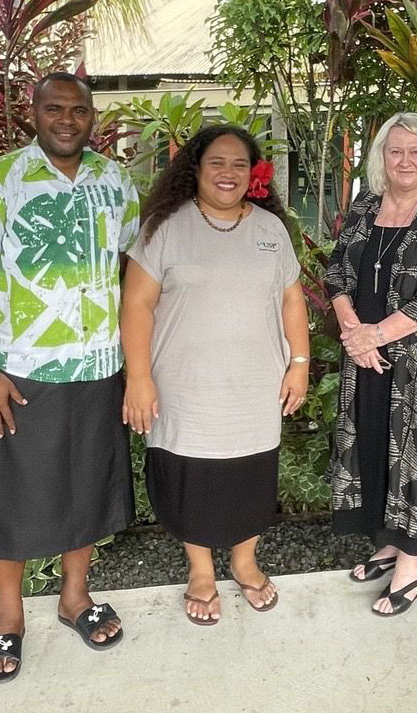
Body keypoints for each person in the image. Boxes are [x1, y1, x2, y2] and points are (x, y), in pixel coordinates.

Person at [0, 73, 140, 682]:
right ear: (34, 112)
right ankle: (8, 616)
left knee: (89, 486)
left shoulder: (116, 182)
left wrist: (138, 365)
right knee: (14, 493)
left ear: (92, 117)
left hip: (101, 365)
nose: (66, 120)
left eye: (78, 110)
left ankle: (73, 597)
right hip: (23, 372)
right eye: (54, 109)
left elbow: (133, 269)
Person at [120, 125, 309, 624]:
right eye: (217, 163)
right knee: (191, 477)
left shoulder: (271, 231)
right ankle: (200, 570)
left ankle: (245, 562)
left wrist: (300, 364)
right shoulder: (165, 228)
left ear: (253, 174)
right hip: (185, 386)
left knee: (250, 477)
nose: (228, 174)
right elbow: (136, 303)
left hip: (254, 386)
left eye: (239, 165)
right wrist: (138, 378)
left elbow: (292, 300)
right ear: (196, 170)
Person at [326, 112, 417, 617]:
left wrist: (376, 334)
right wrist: (353, 331)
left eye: (416, 152)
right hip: (365, 357)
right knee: (373, 446)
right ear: (381, 158)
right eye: (395, 151)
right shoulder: (366, 204)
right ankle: (388, 544)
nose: (405, 161)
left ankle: (414, 565)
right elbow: (338, 270)